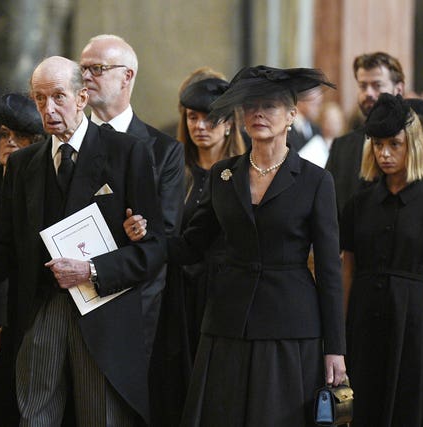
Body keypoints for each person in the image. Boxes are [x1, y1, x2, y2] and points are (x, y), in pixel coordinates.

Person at [0, 56, 166, 425]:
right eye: (40, 99)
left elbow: (153, 249)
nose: (48, 108)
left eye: (58, 96)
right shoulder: (24, 164)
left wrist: (91, 269)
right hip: (40, 312)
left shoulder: (127, 153)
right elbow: (3, 248)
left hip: (101, 314)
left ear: (82, 98)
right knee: (34, 418)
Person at [125, 65, 347, 426]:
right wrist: (147, 235)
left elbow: (329, 270)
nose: (258, 113)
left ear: (291, 115)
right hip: (228, 324)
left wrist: (335, 348)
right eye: (251, 106)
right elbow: (190, 246)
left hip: (290, 329)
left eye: (270, 106)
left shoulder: (316, 181)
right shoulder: (224, 175)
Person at [79, 34, 185, 426]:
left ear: (127, 77)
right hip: (71, 299)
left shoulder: (163, 150)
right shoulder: (65, 144)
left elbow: (167, 234)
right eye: (82, 69)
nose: (86, 76)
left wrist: (139, 233)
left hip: (135, 304)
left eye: (98, 69)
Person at [341, 93, 423, 426]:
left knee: (411, 403)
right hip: (365, 315)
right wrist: (340, 330)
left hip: (415, 318)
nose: (385, 154)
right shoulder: (359, 204)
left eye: (394, 144)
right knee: (364, 404)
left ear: (412, 145)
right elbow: (347, 271)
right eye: (378, 145)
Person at [0, 91, 45, 426]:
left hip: (32, 312)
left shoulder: (44, 189)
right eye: (5, 134)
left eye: (22, 136)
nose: (11, 143)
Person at [177, 73, 245, 358]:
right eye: (192, 118)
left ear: (229, 123)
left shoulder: (243, 172)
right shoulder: (176, 172)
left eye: (210, 118)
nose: (200, 126)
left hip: (226, 290)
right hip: (181, 289)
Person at [326, 51, 405, 217]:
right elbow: (329, 206)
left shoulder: (413, 143)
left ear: (398, 89)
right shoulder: (342, 146)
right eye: (363, 86)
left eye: (377, 85)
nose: (368, 93)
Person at [298, 101, 346, 167]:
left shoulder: (346, 143)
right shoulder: (314, 145)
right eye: (330, 120)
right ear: (322, 122)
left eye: (336, 120)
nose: (334, 124)